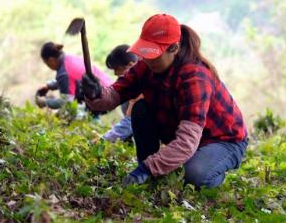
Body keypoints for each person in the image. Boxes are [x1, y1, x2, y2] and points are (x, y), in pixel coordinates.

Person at [82, 14, 248, 189]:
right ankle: (151, 171)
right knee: (141, 109)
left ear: (174, 48)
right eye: (145, 52)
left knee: (194, 175)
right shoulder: (145, 65)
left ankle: (208, 171)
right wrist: (96, 93)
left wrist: (146, 169)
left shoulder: (195, 77)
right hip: (184, 133)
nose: (147, 58)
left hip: (222, 140)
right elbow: (114, 94)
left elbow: (187, 141)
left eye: (153, 54)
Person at [36, 42, 113, 109]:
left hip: (103, 97)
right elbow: (71, 80)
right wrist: (49, 85)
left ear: (50, 60)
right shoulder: (69, 58)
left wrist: (45, 102)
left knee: (76, 111)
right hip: (110, 88)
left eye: (46, 63)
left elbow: (66, 102)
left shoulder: (63, 73)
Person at [102, 44, 141, 143]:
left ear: (131, 65)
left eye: (117, 68)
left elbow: (131, 122)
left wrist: (103, 141)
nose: (115, 73)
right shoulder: (128, 85)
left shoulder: (141, 87)